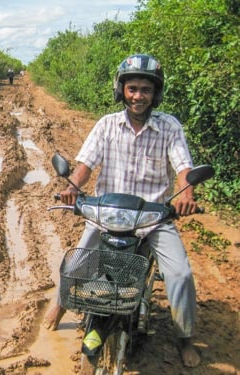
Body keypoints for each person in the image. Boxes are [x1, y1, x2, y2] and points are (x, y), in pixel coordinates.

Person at [43, 54, 201, 368]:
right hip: (107, 215)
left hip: (152, 219)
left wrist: (187, 192)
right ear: (121, 90)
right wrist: (73, 186)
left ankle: (185, 337)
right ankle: (61, 305)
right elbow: (85, 164)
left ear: (156, 93)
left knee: (181, 275)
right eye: (132, 88)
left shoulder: (169, 127)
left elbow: (184, 167)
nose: (138, 96)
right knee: (76, 265)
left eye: (145, 89)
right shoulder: (106, 125)